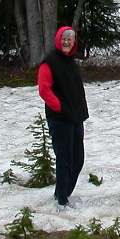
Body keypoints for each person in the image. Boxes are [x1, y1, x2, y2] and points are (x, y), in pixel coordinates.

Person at [37, 26, 89, 208]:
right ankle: (61, 200)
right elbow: (44, 89)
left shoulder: (70, 61)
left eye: (70, 39)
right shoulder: (49, 63)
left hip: (75, 118)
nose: (67, 42)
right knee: (64, 159)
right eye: (64, 39)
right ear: (58, 40)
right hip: (60, 120)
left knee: (78, 159)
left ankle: (63, 192)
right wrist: (59, 107)